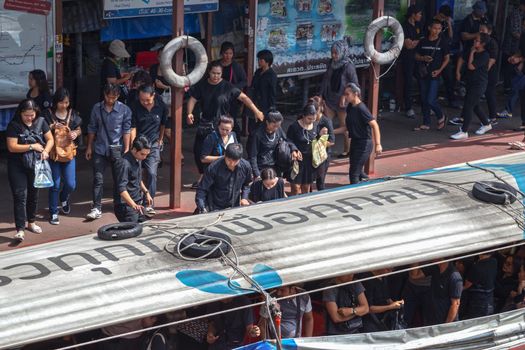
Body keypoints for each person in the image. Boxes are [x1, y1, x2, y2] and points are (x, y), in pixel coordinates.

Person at [187, 61, 263, 188]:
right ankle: (203, 174)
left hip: (222, 124)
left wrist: (256, 110)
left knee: (225, 151)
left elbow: (244, 98)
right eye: (213, 73)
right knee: (198, 151)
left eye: (218, 74)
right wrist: (189, 113)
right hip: (205, 123)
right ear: (209, 72)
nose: (216, 76)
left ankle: (223, 177)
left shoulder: (227, 86)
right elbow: (192, 99)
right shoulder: (202, 85)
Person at [6, 99, 54, 241]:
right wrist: (32, 146)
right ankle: (20, 229)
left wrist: (46, 151)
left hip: (36, 164)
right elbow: (12, 146)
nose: (30, 118)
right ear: (21, 113)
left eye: (32, 114)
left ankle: (31, 222)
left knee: (34, 194)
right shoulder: (14, 125)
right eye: (27, 115)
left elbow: (50, 139)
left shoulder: (41, 121)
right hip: (17, 165)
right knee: (20, 195)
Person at [85, 83, 132, 220]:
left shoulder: (124, 110)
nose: (111, 100)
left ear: (118, 96)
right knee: (98, 179)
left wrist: (127, 148)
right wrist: (89, 146)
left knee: (119, 179)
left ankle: (118, 204)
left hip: (117, 149)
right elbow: (92, 128)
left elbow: (126, 130)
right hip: (100, 148)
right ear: (104, 94)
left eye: (114, 97)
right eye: (109, 97)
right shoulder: (97, 108)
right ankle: (96, 207)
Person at [43, 88, 82, 225]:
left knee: (71, 184)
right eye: (61, 102)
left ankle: (64, 197)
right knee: (55, 184)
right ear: (56, 102)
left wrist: (75, 134)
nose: (64, 105)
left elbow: (79, 128)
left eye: (66, 102)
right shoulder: (48, 114)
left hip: (69, 153)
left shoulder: (73, 114)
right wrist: (52, 126)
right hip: (54, 154)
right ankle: (54, 212)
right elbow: (42, 129)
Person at [130, 84, 168, 216]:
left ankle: (149, 203)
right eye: (142, 100)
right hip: (139, 145)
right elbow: (132, 127)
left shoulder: (161, 106)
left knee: (152, 173)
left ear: (154, 96)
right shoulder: (135, 106)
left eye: (147, 100)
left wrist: (160, 139)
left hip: (153, 144)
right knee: (136, 173)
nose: (145, 103)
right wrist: (132, 145)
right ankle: (134, 202)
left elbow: (163, 124)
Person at [320, 39, 359, 157]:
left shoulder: (348, 66)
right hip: (330, 100)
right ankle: (325, 148)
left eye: (336, 53)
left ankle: (347, 151)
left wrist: (344, 96)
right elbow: (325, 80)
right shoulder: (330, 63)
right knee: (325, 124)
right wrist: (321, 95)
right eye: (332, 52)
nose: (333, 55)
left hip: (343, 103)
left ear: (342, 52)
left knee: (345, 128)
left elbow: (355, 85)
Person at [451, 33, 493, 140]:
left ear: (483, 44)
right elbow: (462, 59)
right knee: (475, 105)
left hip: (479, 84)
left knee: (468, 106)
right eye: (475, 40)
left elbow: (471, 66)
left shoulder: (485, 55)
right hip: (471, 82)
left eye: (477, 41)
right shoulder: (472, 51)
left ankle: (464, 131)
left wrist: (472, 52)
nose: (475, 42)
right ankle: (486, 124)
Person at [414, 19, 450, 131]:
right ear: (430, 28)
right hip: (423, 73)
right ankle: (426, 122)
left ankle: (441, 116)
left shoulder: (442, 42)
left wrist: (439, 70)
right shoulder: (423, 41)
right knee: (424, 99)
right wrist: (423, 58)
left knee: (430, 99)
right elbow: (415, 55)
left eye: (439, 29)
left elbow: (447, 58)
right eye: (435, 28)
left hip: (435, 75)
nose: (437, 31)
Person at [195, 143, 252, 213]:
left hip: (234, 205)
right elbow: (202, 189)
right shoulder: (213, 168)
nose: (232, 164)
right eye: (229, 160)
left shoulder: (246, 166)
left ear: (240, 159)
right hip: (214, 206)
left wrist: (244, 197)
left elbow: (247, 184)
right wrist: (202, 207)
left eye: (235, 161)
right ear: (225, 155)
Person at [344, 83, 382, 184]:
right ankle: (364, 181)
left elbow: (375, 125)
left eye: (347, 94)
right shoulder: (350, 107)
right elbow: (348, 126)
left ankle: (354, 189)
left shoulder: (361, 109)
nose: (345, 97)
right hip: (355, 142)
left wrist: (378, 144)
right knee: (356, 167)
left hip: (364, 143)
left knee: (354, 173)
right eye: (345, 94)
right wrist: (331, 132)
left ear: (355, 94)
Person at [113, 136, 153, 223]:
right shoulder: (124, 163)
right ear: (134, 150)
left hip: (137, 203)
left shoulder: (138, 159)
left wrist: (146, 192)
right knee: (132, 232)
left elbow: (138, 178)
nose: (145, 157)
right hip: (126, 206)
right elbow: (121, 189)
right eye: (142, 154)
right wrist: (133, 205)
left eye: (147, 154)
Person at [286, 103, 320, 195]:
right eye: (309, 119)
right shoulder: (294, 126)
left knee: (306, 187)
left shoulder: (316, 125)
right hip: (297, 159)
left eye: (313, 119)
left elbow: (318, 139)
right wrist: (294, 149)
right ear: (303, 116)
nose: (311, 121)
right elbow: (288, 140)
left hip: (309, 161)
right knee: (296, 187)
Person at [214, 41, 247, 134]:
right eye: (226, 53)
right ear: (221, 53)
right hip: (217, 96)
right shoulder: (216, 65)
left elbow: (244, 81)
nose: (228, 56)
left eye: (230, 53)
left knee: (232, 120)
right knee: (217, 119)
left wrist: (233, 88)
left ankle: (236, 140)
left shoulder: (236, 66)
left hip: (232, 99)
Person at [248, 109, 292, 179]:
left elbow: (287, 140)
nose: (276, 128)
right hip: (261, 166)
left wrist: (294, 149)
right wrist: (257, 173)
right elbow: (253, 155)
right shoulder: (257, 134)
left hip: (275, 165)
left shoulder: (278, 130)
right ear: (267, 122)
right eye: (274, 126)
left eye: (278, 126)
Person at [419, 261, 463, 325]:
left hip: (445, 323)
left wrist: (445, 326)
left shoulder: (454, 276)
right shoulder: (435, 268)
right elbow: (415, 276)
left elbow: (455, 305)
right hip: (432, 319)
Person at [434, 4, 460, 109]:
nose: (443, 19)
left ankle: (451, 100)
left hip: (445, 53)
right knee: (434, 79)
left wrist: (448, 24)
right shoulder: (432, 22)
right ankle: (432, 101)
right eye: (443, 17)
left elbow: (450, 37)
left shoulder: (445, 22)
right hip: (435, 53)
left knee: (449, 78)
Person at [400, 5, 424, 119]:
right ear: (413, 14)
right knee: (408, 82)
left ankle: (425, 105)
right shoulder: (405, 26)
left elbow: (420, 39)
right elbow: (408, 45)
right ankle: (408, 108)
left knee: (422, 79)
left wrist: (416, 41)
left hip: (417, 57)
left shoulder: (419, 25)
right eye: (419, 14)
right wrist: (418, 40)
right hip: (407, 57)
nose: (420, 16)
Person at [247, 49, 278, 135]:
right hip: (255, 102)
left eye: (261, 60)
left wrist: (272, 107)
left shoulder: (272, 75)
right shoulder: (258, 72)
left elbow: (273, 93)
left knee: (261, 126)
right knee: (252, 125)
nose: (259, 62)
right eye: (259, 60)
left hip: (265, 105)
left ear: (267, 62)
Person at [310, 96, 335, 191]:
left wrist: (318, 144)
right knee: (309, 179)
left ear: (320, 108)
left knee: (320, 180)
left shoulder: (326, 121)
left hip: (322, 155)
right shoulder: (308, 120)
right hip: (310, 153)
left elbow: (332, 141)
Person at [463, 253, 498, 319]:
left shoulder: (477, 267)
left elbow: (467, 285)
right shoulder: (494, 261)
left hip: (478, 302)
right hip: (490, 299)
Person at [501, 0, 525, 94]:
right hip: (511, 47)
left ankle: (513, 87)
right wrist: (522, 37)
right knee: (509, 67)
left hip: (517, 47)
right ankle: (507, 88)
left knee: (514, 68)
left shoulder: (521, 14)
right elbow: (514, 32)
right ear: (522, 5)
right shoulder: (515, 15)